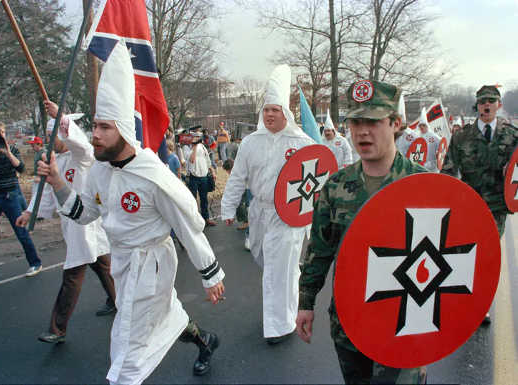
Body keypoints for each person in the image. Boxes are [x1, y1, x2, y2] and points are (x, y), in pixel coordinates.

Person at [36, 41, 225, 384]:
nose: (94, 135)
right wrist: (57, 183)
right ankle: (204, 341)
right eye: (94, 126)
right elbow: (85, 214)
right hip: (123, 263)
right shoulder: (99, 170)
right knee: (163, 316)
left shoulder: (152, 174)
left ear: (122, 130)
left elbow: (187, 226)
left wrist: (210, 273)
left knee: (127, 344)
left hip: (152, 263)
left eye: (103, 128)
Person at [296, 80, 427, 384]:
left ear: (395, 123)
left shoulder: (422, 186)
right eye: (355, 121)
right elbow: (319, 250)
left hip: (404, 322)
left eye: (373, 122)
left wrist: (432, 338)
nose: (362, 131)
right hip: (349, 322)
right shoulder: (336, 187)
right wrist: (306, 303)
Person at [221, 64, 314, 344]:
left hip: (288, 216)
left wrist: (312, 216)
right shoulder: (251, 143)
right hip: (260, 212)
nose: (270, 114)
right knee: (266, 259)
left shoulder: (302, 143)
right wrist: (228, 208)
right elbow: (238, 177)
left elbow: (319, 179)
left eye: (276, 109)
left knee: (276, 268)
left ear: (285, 113)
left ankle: (280, 326)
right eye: (267, 110)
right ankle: (288, 299)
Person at [17, 102, 116, 343]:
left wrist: (62, 118)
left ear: (64, 133)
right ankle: (118, 301)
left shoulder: (80, 156)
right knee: (103, 265)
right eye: (48, 136)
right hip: (71, 223)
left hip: (86, 222)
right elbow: (44, 191)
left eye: (56, 135)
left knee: (73, 273)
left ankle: (57, 328)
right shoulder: (53, 160)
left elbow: (82, 145)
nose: (52, 140)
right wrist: (30, 212)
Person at [441, 85, 518, 324]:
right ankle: (467, 300)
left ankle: (480, 304)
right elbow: (448, 170)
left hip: (496, 207)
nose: (486, 105)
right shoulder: (461, 135)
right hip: (469, 206)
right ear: (477, 106)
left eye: (491, 101)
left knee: (485, 257)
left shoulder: (512, 135)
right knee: (466, 256)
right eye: (483, 101)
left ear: (498, 105)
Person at [0, 121, 42, 285]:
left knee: (21, 232)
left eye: (0, 133)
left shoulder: (12, 149)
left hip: (10, 195)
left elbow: (21, 168)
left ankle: (35, 263)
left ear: (5, 134)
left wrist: (6, 151)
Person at [188, 133, 217, 227]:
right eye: (195, 137)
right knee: (193, 199)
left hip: (203, 176)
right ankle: (194, 221)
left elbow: (208, 161)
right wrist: (195, 146)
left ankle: (206, 218)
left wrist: (212, 172)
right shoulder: (188, 148)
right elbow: (192, 160)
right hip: (194, 177)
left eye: (198, 137)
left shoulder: (203, 148)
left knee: (204, 199)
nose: (196, 139)